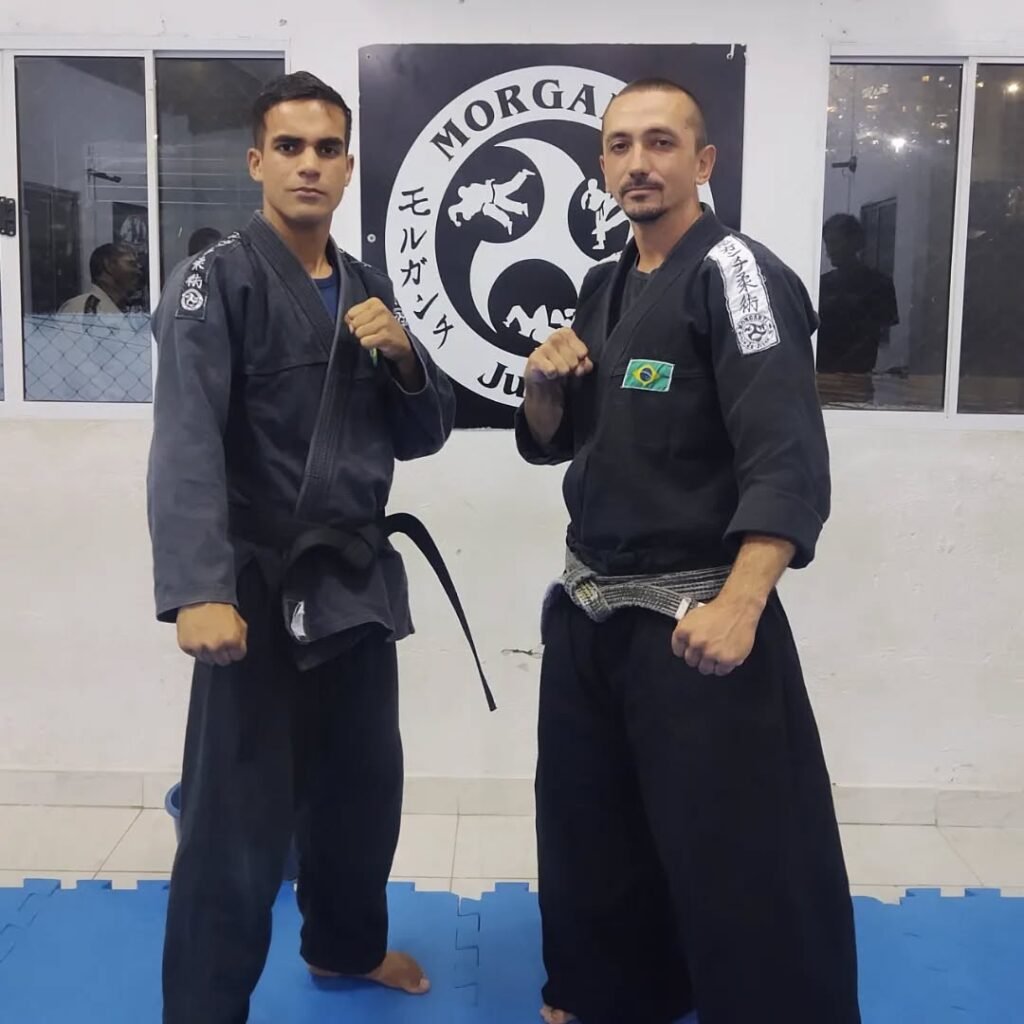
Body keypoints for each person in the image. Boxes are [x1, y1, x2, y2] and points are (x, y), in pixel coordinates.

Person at [516, 78, 861, 1024]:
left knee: (739, 851)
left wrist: (743, 602)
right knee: (591, 823)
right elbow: (562, 437)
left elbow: (786, 453)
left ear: (703, 162)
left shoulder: (737, 275)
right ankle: (610, 993)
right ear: (602, 165)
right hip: (591, 606)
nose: (640, 163)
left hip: (695, 613)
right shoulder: (602, 285)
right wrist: (542, 387)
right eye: (621, 146)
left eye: (661, 143)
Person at [148, 71, 472, 1024]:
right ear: (257, 161)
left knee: (361, 793)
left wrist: (405, 357)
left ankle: (344, 948)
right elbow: (185, 441)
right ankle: (203, 1008)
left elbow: (425, 434)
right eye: (289, 147)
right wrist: (198, 588)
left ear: (348, 167)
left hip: (356, 584)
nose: (308, 165)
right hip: (255, 587)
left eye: (327, 149)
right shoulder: (217, 280)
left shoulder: (368, 288)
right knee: (236, 826)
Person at [816, 212, 899, 406]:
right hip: (823, 379)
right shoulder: (822, 285)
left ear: (854, 242)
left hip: (858, 380)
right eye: (827, 243)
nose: (830, 251)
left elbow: (877, 332)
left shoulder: (879, 284)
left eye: (835, 242)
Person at [58, 242, 141, 314]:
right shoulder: (80, 308)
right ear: (109, 266)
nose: (138, 272)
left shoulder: (128, 311)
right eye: (132, 264)